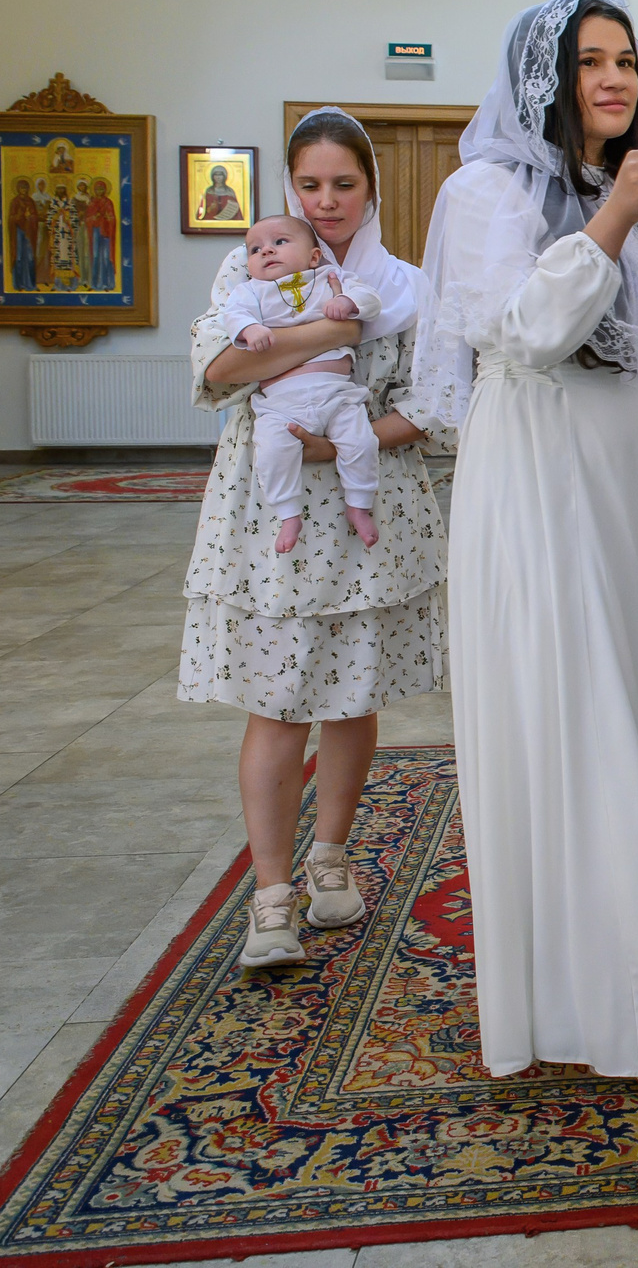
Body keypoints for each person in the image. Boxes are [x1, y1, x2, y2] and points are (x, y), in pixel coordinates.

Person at [418, 0, 638, 1089]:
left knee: (626, 725)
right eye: (587, 61)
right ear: (543, 80)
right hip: (537, 482)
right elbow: (526, 329)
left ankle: (607, 985)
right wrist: (610, 216)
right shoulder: (486, 192)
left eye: (625, 61)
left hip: (620, 498)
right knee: (577, 724)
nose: (614, 78)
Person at [186, 108, 447, 968]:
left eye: (344, 184)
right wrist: (334, 330)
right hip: (272, 521)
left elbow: (430, 404)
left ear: (370, 189)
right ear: (287, 186)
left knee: (349, 697)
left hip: (366, 517)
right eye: (310, 184)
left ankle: (330, 859)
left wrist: (347, 442)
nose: (325, 202)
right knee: (277, 701)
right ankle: (269, 897)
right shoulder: (252, 261)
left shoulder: (403, 284)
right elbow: (218, 370)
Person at [220, 214, 381, 553]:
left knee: (361, 442)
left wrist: (347, 302)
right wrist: (250, 329)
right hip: (281, 403)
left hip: (337, 395)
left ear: (313, 256)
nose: (266, 251)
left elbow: (370, 298)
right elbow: (233, 315)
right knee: (272, 451)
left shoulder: (329, 278)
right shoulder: (251, 291)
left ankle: (359, 503)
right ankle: (288, 513)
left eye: (279, 242)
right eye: (255, 249)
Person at [86, 176, 119, 290]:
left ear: (105, 190)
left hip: (105, 233)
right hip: (95, 231)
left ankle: (107, 284)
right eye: (97, 189)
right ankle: (95, 284)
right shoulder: (92, 202)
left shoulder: (108, 202)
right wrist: (94, 218)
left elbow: (112, 218)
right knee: (95, 256)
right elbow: (88, 219)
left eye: (101, 189)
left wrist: (106, 218)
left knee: (106, 257)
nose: (99, 191)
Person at [8, 178, 39, 291]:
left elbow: (35, 216)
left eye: (25, 188)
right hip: (19, 233)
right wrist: (21, 215)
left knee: (30, 258)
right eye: (22, 188)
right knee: (19, 257)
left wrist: (30, 217)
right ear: (18, 189)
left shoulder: (30, 201)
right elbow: (11, 219)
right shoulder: (15, 202)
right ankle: (18, 284)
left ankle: (30, 283)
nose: (24, 190)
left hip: (29, 233)